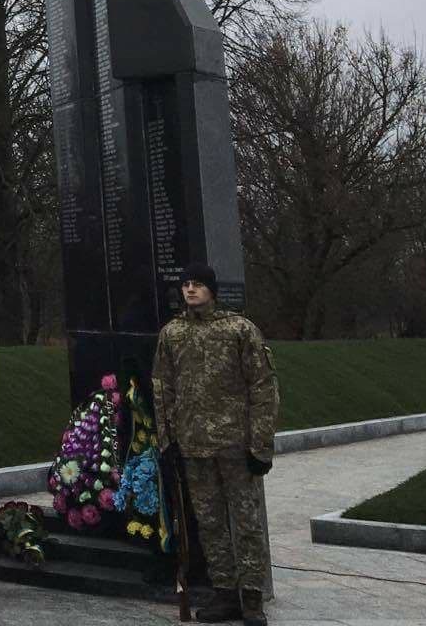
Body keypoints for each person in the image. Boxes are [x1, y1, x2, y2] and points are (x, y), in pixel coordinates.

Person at [151, 260, 277, 626]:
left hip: (235, 446)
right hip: (193, 446)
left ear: (212, 290)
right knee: (210, 524)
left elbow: (263, 388)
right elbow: (162, 388)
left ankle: (251, 598)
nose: (190, 289)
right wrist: (167, 439)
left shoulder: (240, 329)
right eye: (185, 284)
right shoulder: (172, 334)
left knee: (246, 522)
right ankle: (225, 594)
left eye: (198, 284)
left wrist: (260, 444)